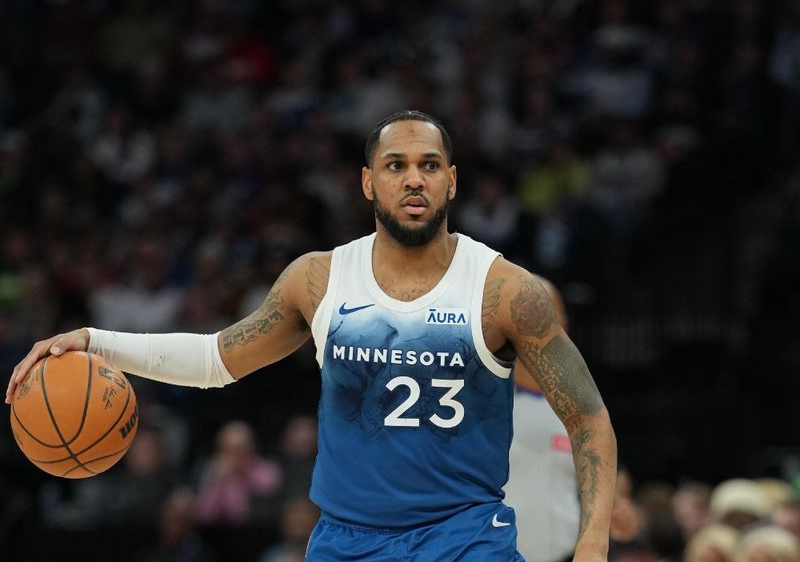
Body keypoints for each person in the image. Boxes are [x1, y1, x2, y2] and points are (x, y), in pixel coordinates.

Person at [6, 110, 618, 560]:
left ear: (452, 182)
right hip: (346, 542)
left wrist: (593, 543)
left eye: (429, 166)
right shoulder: (318, 280)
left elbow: (588, 418)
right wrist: (94, 340)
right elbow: (218, 358)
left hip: (463, 539)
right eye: (395, 165)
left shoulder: (506, 291)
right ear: (366, 182)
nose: (413, 180)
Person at [505, 280, 638, 562]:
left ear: (562, 324)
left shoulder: (584, 405)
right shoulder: (482, 397)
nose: (534, 327)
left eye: (545, 316)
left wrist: (618, 505)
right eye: (525, 316)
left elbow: (610, 468)